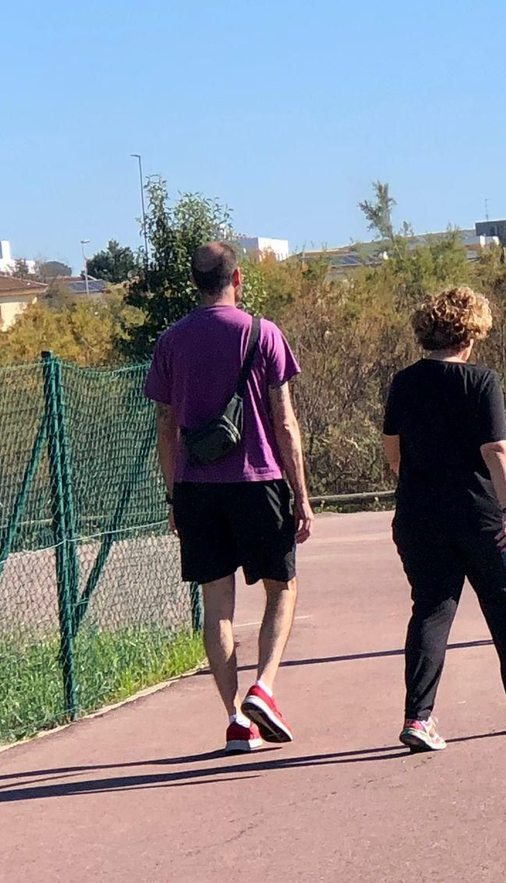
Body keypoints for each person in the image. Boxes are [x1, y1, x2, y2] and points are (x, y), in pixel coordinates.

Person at [148, 241, 314, 754]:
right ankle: (264, 686)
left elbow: (166, 424)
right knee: (281, 589)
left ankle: (235, 720)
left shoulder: (172, 342)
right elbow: (284, 421)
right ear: (237, 278)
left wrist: (174, 494)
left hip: (197, 489)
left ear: (194, 283)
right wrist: (301, 494)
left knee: (215, 605)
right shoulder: (263, 334)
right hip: (259, 481)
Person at [382, 286, 506, 752]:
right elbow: (497, 449)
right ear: (472, 331)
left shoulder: (404, 382)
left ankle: (418, 718)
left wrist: (419, 480)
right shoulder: (482, 382)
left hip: (419, 516)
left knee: (432, 610)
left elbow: (392, 451)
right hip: (480, 516)